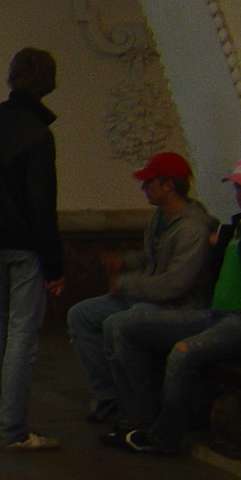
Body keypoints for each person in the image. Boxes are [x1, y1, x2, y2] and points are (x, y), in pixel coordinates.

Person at [66, 151, 216, 424]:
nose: (143, 187)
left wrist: (125, 282)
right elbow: (154, 258)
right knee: (81, 315)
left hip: (182, 308)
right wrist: (124, 261)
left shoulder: (193, 228)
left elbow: (175, 285)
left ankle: (138, 411)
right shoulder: (162, 218)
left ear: (168, 185)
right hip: (151, 298)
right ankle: (110, 396)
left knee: (120, 323)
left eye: (149, 182)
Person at [0, 47, 65, 452]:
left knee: (0, 331)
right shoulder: (38, 134)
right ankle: (13, 428)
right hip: (26, 247)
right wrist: (55, 263)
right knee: (23, 335)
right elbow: (42, 204)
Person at [104, 162, 241, 455]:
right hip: (219, 313)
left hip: (236, 320)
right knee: (124, 325)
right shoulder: (237, 223)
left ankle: (164, 437)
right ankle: (134, 418)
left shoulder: (194, 223)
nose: (238, 193)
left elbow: (176, 283)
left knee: (183, 353)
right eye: (237, 187)